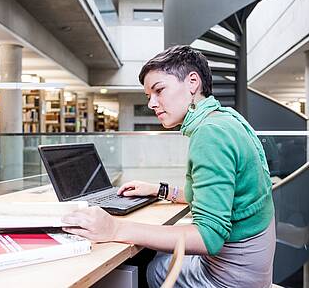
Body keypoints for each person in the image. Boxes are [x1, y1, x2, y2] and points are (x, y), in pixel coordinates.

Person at [62, 45, 276, 288]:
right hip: (251, 272)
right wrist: (158, 190)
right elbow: (216, 197)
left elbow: (209, 238)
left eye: (159, 90)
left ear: (193, 82)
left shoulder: (210, 134)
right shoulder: (226, 118)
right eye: (148, 96)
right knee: (156, 253)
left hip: (229, 280)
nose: (152, 103)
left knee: (149, 266)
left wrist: (115, 228)